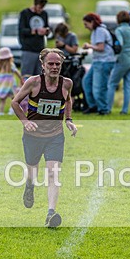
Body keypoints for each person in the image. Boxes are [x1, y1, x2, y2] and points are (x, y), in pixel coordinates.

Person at [11, 48, 78, 228]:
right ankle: (29, 186)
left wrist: (69, 120)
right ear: (43, 65)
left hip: (55, 136)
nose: (54, 67)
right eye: (51, 64)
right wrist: (25, 122)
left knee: (53, 173)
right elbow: (15, 102)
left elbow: (68, 100)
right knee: (32, 170)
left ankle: (51, 213)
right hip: (32, 136)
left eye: (58, 64)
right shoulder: (33, 83)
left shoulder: (66, 84)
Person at [81, 13, 116, 115]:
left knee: (99, 87)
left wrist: (89, 46)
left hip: (104, 61)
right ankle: (93, 106)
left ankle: (103, 109)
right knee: (86, 81)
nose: (85, 27)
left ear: (92, 22)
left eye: (86, 24)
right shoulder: (95, 31)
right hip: (98, 61)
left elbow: (101, 48)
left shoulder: (100, 30)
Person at [19, 0, 50, 81]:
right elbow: (21, 30)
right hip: (28, 49)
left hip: (40, 49)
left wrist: (46, 31)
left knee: (40, 77)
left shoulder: (44, 14)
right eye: (40, 7)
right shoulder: (25, 13)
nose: (41, 10)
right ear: (35, 5)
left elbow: (47, 27)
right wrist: (35, 31)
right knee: (27, 76)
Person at [0, 47, 22, 116]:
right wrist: (21, 79)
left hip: (3, 87)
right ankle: (11, 111)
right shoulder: (11, 65)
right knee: (14, 99)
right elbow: (17, 72)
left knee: (3, 100)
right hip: (10, 85)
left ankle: (1, 112)